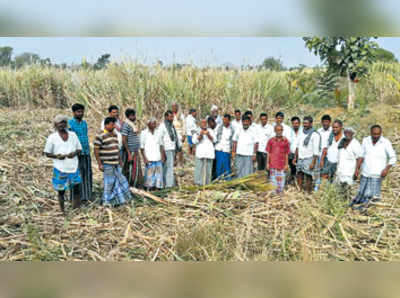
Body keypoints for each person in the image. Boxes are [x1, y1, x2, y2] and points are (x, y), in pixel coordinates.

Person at [350, 125, 397, 209]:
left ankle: (368, 209)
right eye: (374, 134)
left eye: (378, 134)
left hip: (377, 173)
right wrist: (357, 169)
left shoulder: (385, 142)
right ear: (370, 133)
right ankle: (358, 205)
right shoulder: (366, 140)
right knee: (361, 192)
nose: (376, 136)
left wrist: (386, 169)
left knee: (372, 195)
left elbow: (393, 157)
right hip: (366, 172)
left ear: (381, 133)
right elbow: (361, 155)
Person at [44, 115, 82, 214]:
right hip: (60, 167)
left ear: (66, 124)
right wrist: (57, 156)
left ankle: (76, 208)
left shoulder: (73, 135)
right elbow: (47, 153)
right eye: (59, 123)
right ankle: (63, 210)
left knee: (76, 188)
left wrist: (73, 154)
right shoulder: (52, 137)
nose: (62, 125)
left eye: (63, 122)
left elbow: (79, 149)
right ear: (55, 125)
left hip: (73, 166)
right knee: (61, 191)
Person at [94, 117, 132, 206]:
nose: (114, 126)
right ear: (106, 125)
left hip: (116, 163)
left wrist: (120, 160)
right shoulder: (100, 135)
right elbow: (96, 150)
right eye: (112, 125)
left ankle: (118, 200)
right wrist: (99, 164)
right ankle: (106, 201)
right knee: (109, 183)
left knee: (120, 181)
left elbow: (116, 148)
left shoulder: (114, 135)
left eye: (114, 124)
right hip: (107, 163)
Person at [68, 103, 92, 203]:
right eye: (78, 112)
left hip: (85, 153)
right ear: (73, 112)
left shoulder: (84, 123)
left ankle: (86, 196)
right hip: (75, 155)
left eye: (82, 111)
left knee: (87, 174)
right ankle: (75, 198)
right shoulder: (69, 124)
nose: (81, 113)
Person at [294, 116, 321, 193]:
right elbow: (298, 146)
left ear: (311, 124)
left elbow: (316, 151)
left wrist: (313, 162)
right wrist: (295, 157)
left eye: (306, 123)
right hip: (301, 157)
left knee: (308, 175)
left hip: (309, 158)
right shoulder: (301, 132)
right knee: (299, 174)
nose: (304, 125)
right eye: (304, 123)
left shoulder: (315, 134)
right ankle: (299, 189)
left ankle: (308, 191)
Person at [335, 127, 362, 199]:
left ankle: (346, 205)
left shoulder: (355, 144)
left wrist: (357, 170)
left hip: (349, 171)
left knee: (347, 189)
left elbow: (359, 158)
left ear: (353, 134)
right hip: (340, 171)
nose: (347, 134)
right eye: (346, 132)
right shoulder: (342, 142)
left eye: (349, 133)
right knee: (339, 190)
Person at [159, 110, 182, 188]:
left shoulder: (172, 126)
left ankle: (166, 184)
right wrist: (162, 153)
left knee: (169, 167)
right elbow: (160, 140)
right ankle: (168, 185)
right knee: (168, 168)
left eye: (173, 117)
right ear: (166, 117)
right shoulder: (162, 126)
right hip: (166, 149)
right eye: (170, 117)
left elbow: (175, 139)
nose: (172, 118)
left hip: (172, 149)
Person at [121, 108, 143, 188]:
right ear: (129, 116)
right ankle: (131, 186)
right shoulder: (126, 125)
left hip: (135, 150)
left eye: (134, 115)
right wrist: (129, 153)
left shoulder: (132, 125)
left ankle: (135, 186)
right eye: (132, 116)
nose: (134, 117)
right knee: (132, 170)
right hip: (131, 151)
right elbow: (124, 139)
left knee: (136, 170)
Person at [140, 118, 163, 190]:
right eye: (153, 123)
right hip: (149, 158)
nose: (154, 125)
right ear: (148, 124)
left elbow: (161, 145)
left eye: (155, 123)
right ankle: (149, 191)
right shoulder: (144, 133)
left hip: (158, 158)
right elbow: (142, 147)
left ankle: (158, 191)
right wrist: (144, 158)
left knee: (158, 177)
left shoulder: (158, 132)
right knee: (150, 178)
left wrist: (162, 156)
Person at [267, 124, 290, 194]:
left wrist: (286, 164)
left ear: (282, 130)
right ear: (274, 131)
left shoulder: (285, 141)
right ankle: (273, 195)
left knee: (281, 183)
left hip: (281, 165)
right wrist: (267, 163)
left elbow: (287, 153)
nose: (279, 132)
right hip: (273, 164)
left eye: (280, 130)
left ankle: (280, 196)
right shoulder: (271, 141)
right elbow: (269, 153)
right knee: (273, 182)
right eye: (277, 130)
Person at [192, 119, 216, 185]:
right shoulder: (196, 131)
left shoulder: (211, 131)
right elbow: (194, 141)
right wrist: (200, 135)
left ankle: (207, 184)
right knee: (199, 170)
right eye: (202, 122)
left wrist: (208, 135)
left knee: (208, 170)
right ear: (200, 124)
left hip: (209, 154)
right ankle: (198, 184)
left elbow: (214, 140)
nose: (204, 124)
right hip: (200, 154)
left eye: (205, 123)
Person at [214, 114, 235, 180]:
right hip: (219, 148)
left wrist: (232, 151)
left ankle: (227, 180)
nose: (224, 122)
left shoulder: (232, 129)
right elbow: (215, 137)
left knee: (226, 166)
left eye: (226, 120)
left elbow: (233, 140)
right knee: (219, 166)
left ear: (229, 120)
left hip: (226, 149)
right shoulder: (219, 127)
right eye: (223, 120)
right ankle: (218, 179)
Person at [315, 114, 332, 190]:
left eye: (327, 122)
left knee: (328, 173)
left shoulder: (333, 131)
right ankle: (317, 188)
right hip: (319, 155)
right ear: (321, 122)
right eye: (324, 122)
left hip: (330, 156)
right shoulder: (318, 131)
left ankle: (328, 189)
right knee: (318, 172)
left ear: (329, 122)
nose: (325, 123)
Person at [288, 116, 301, 184]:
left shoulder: (303, 131)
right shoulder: (289, 131)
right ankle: (292, 182)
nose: (295, 125)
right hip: (291, 154)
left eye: (296, 123)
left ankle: (299, 183)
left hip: (300, 154)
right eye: (293, 123)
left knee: (299, 170)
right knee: (292, 169)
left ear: (299, 123)